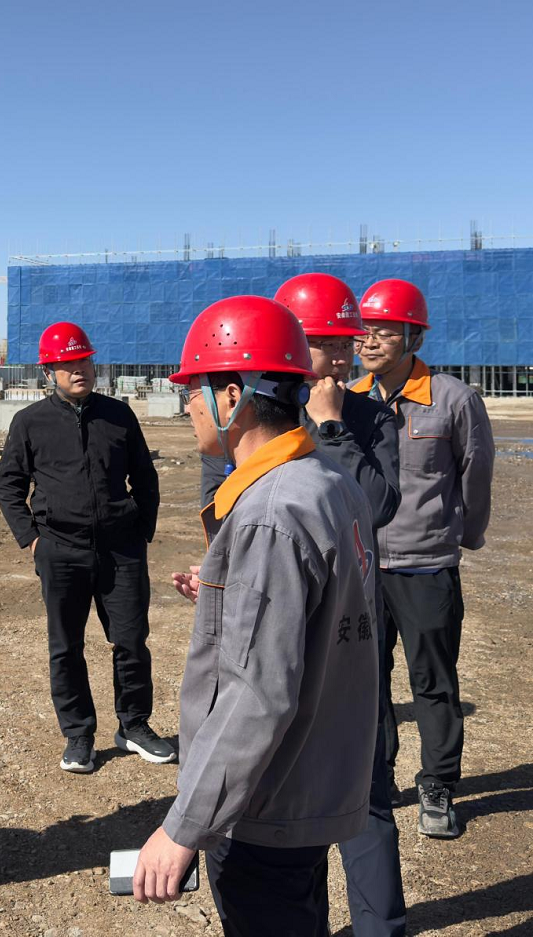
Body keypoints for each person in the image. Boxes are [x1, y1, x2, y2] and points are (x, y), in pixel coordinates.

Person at [133, 296, 379, 937]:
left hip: (263, 802)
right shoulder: (329, 480)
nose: (186, 406)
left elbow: (257, 693)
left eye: (193, 391)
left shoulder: (270, 512)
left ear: (232, 396)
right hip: (310, 781)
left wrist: (184, 826)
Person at [200, 273, 406, 936]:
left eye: (347, 343)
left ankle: (379, 924)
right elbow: (226, 517)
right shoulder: (253, 432)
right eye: (325, 343)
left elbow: (377, 504)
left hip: (341, 628)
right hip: (282, 617)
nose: (342, 357)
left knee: (362, 789)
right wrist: (224, 579)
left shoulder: (365, 420)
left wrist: (334, 429)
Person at [0, 321, 173, 773]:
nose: (80, 370)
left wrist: (141, 531)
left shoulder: (118, 415)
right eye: (68, 364)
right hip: (61, 550)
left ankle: (134, 725)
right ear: (48, 371)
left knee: (131, 640)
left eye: (85, 361)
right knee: (66, 646)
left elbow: (145, 477)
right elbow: (9, 486)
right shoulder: (29, 422)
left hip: (121, 550)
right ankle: (78, 735)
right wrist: (33, 540)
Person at [351, 279, 494, 839]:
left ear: (414, 336)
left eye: (384, 331)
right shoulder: (351, 400)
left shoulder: (453, 399)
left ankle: (437, 783)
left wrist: (462, 538)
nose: (369, 341)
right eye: (363, 330)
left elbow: (476, 473)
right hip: (364, 569)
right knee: (368, 681)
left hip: (427, 565)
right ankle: (377, 775)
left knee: (432, 682)